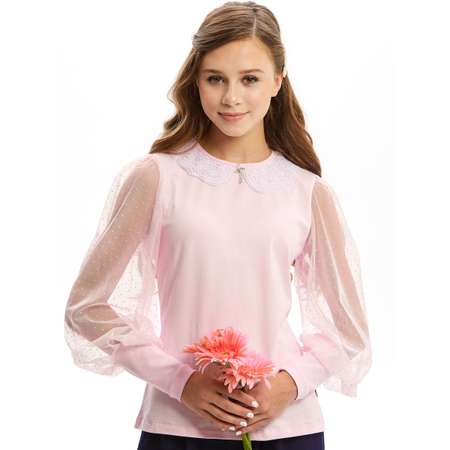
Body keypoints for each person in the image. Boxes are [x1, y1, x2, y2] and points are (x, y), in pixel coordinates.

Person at [63, 2, 372, 449]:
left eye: (249, 79)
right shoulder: (157, 177)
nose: (231, 98)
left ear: (277, 81)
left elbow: (348, 329)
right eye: (215, 79)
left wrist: (288, 385)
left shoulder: (307, 191)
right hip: (178, 425)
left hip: (287, 427)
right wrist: (180, 380)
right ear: (196, 81)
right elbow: (87, 306)